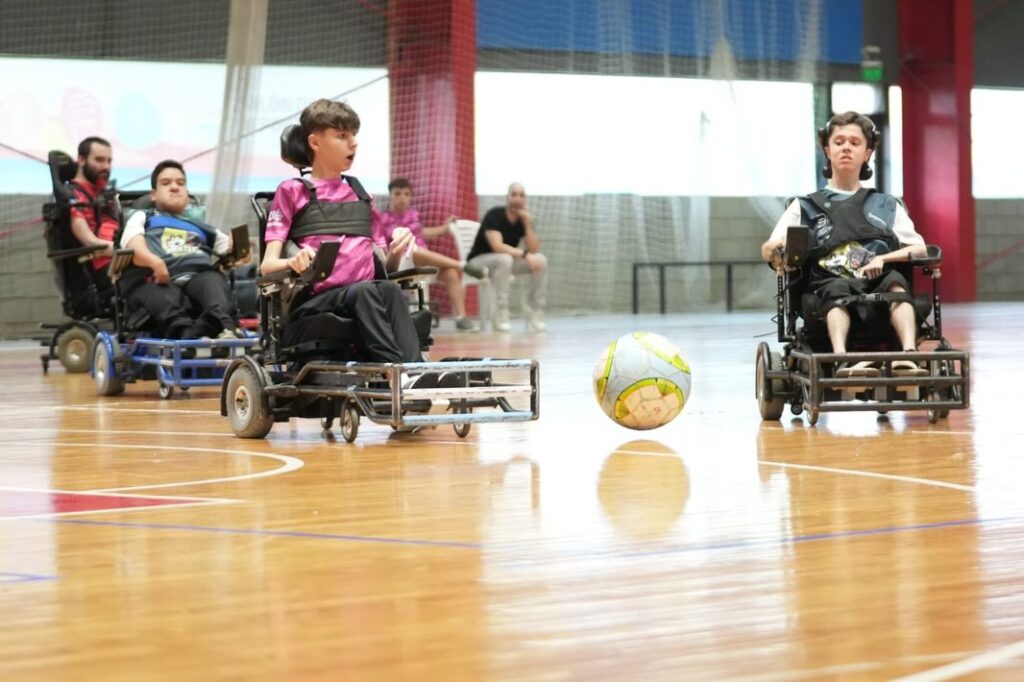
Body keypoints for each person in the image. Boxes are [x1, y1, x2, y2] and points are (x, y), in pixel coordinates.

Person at [760, 111, 928, 378]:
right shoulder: (804, 205)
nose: (846, 147)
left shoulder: (887, 205)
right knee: (836, 289)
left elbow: (919, 248)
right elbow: (769, 249)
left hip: (878, 280)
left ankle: (909, 357)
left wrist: (883, 259)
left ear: (868, 152)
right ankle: (842, 360)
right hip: (829, 282)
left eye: (854, 142)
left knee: (897, 285)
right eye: (839, 142)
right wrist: (777, 247)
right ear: (828, 151)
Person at [260, 98, 423, 365]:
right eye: (342, 136)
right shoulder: (292, 191)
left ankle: (416, 372)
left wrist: (394, 253)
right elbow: (268, 266)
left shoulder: (361, 195)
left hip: (361, 293)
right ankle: (397, 373)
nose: (354, 143)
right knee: (367, 291)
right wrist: (293, 261)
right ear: (315, 143)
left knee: (389, 290)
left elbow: (385, 268)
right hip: (315, 300)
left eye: (354, 135)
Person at [119, 160, 241, 340]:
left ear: (187, 193)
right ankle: (187, 334)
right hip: (159, 277)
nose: (175, 187)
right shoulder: (145, 216)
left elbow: (235, 254)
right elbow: (131, 241)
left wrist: (240, 248)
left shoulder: (200, 226)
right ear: (153, 195)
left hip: (199, 275)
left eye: (180, 183)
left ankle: (222, 329)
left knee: (215, 282)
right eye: (166, 183)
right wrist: (154, 261)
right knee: (161, 293)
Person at [378, 178, 483, 332]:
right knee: (412, 250)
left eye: (406, 194)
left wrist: (446, 228)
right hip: (401, 264)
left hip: (423, 262)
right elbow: (381, 247)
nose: (402, 198)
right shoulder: (382, 219)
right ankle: (462, 265)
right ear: (390, 196)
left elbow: (424, 233)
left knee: (450, 273)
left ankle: (461, 318)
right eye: (398, 194)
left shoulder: (413, 215)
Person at [466, 182, 548, 332]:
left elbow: (534, 249)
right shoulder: (495, 215)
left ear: (525, 200)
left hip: (503, 263)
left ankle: (536, 313)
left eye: (521, 195)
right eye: (514, 194)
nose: (517, 199)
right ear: (507, 198)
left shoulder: (523, 220)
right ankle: (500, 316)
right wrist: (524, 254)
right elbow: (497, 246)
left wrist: (528, 223)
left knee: (540, 261)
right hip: (477, 262)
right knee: (505, 259)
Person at [68, 136, 118, 279]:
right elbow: (90, 242)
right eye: (99, 160)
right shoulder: (74, 195)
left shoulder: (100, 194)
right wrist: (131, 250)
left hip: (119, 255)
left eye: (109, 161)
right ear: (82, 160)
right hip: (102, 267)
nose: (106, 167)